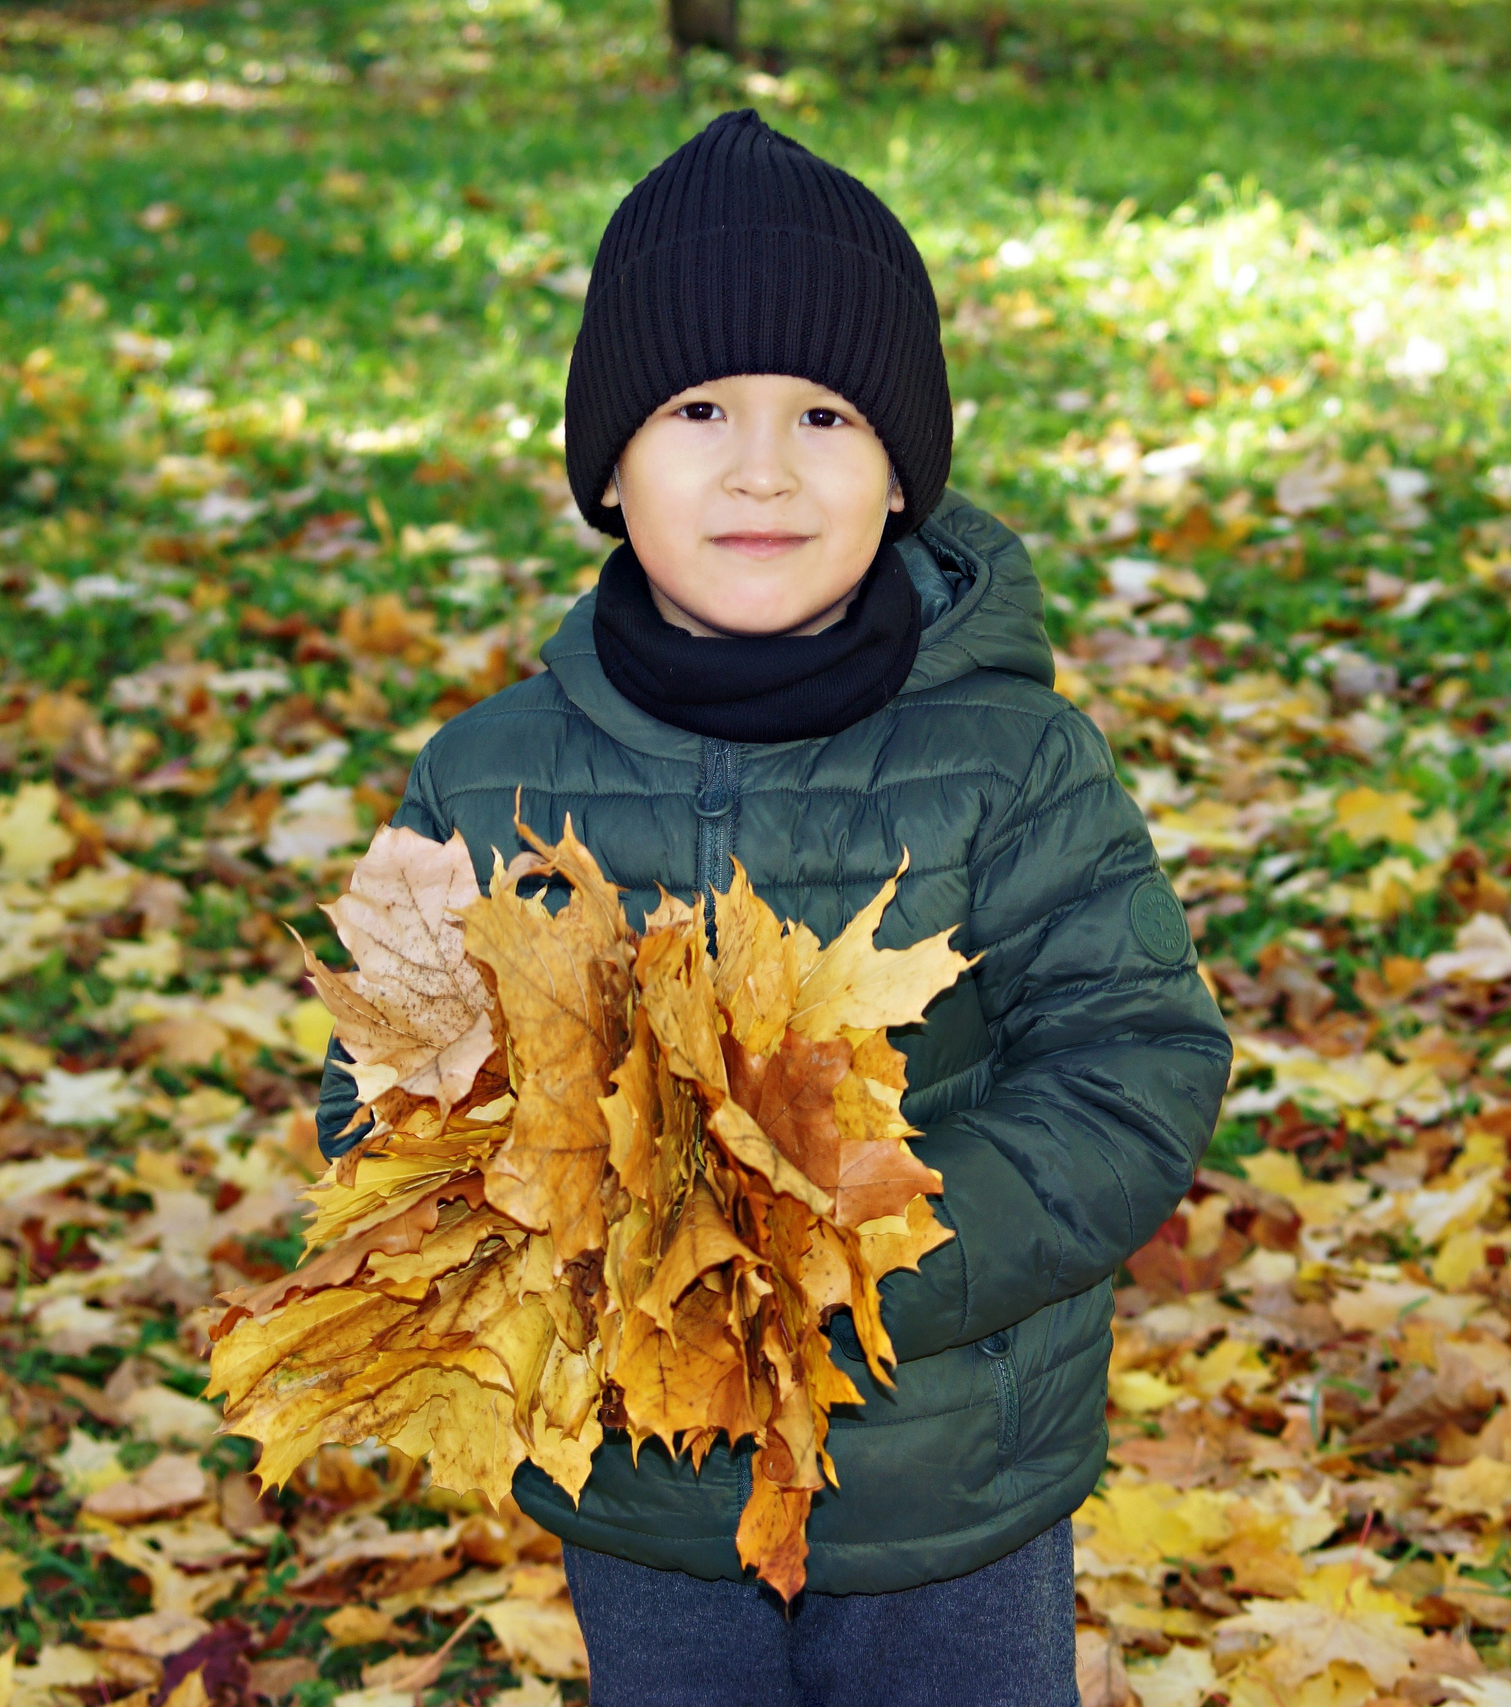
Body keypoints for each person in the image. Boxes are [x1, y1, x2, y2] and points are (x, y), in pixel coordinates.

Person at [315, 109, 1233, 1707]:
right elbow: (384, 1097)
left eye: (824, 413)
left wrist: (861, 1246)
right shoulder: (484, 779)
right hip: (644, 1479)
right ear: (608, 465)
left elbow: (1133, 1063)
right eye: (695, 409)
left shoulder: (1011, 762)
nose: (760, 466)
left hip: (944, 1478)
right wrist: (553, 1227)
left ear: (899, 474)